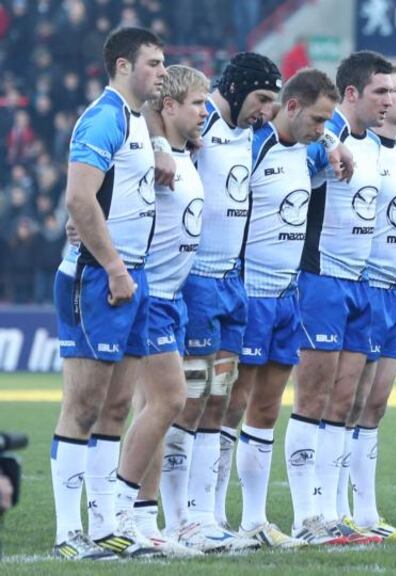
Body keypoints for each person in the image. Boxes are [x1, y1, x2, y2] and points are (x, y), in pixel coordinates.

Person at [51, 26, 166, 561]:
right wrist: (116, 267)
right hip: (97, 278)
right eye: (154, 63)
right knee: (83, 405)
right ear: (123, 65)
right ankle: (68, 534)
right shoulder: (102, 117)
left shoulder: (137, 120)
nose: (162, 72)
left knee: (118, 405)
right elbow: (78, 198)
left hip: (132, 277)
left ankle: (102, 527)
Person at [158, 51, 279, 553]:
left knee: (219, 399)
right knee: (188, 399)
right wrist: (159, 149)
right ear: (236, 89)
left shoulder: (256, 134)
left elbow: (308, 135)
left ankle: (206, 516)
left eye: (273, 101)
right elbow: (151, 116)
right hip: (196, 280)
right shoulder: (200, 116)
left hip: (233, 282)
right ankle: (177, 519)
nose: (266, 110)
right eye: (261, 98)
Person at [287, 50, 393, 547]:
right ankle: (305, 517)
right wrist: (328, 140)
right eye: (380, 93)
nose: (389, 101)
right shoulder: (321, 142)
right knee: (313, 398)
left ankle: (331, 512)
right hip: (320, 278)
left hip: (360, 283)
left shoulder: (371, 146)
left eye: (393, 92)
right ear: (351, 94)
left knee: (345, 401)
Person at [231, 68, 338, 548]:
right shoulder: (253, 146)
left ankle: (255, 521)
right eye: (316, 118)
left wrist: (332, 140)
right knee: (227, 406)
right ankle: (205, 518)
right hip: (248, 293)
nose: (321, 129)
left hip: (286, 296)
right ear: (290, 107)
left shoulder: (312, 150)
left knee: (267, 408)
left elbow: (328, 142)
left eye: (327, 122)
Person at [127, 64, 210, 557]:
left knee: (153, 409)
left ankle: (142, 516)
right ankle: (129, 514)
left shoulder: (187, 152)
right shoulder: (145, 148)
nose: (205, 112)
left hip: (174, 297)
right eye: (197, 104)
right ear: (169, 107)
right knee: (168, 402)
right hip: (150, 296)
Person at [342, 72, 396, 542]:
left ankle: (367, 514)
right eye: (390, 92)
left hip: (393, 289)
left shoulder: (395, 155)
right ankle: (335, 511)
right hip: (364, 285)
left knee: (374, 405)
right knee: (347, 403)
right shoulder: (362, 148)